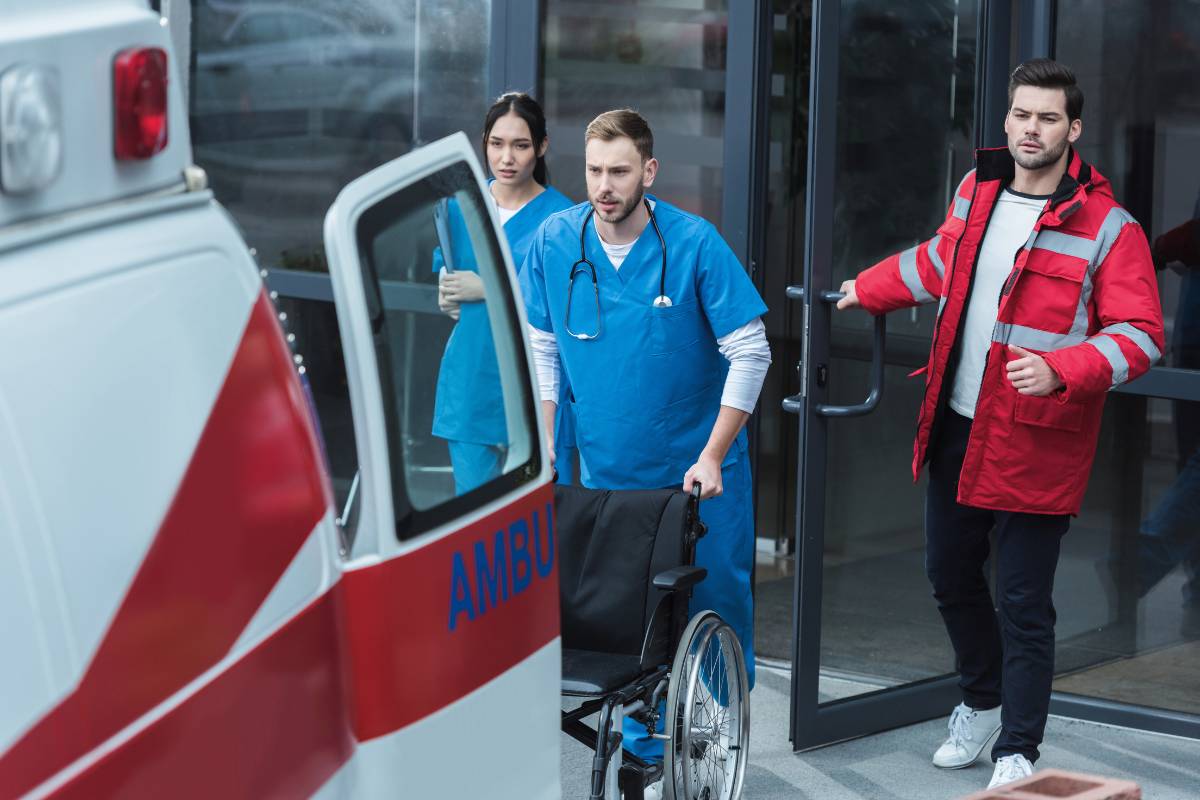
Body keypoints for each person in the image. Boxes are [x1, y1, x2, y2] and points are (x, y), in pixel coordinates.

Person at [836, 59, 1164, 789]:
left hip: (1038, 441)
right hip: (957, 422)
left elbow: (1142, 334)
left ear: (1072, 130)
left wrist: (1063, 368)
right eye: (1021, 115)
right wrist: (871, 287)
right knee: (949, 575)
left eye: (1047, 118)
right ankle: (981, 702)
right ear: (1008, 120)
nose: (1030, 129)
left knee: (1021, 601)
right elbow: (940, 266)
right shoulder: (976, 190)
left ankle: (1019, 748)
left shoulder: (1110, 227)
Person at [519, 109, 771, 777]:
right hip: (609, 467)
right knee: (628, 616)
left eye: (620, 171)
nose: (605, 185)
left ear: (649, 172)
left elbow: (750, 352)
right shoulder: (555, 240)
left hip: (697, 471)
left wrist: (713, 453)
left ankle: (718, 737)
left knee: (714, 599)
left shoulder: (693, 244)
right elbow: (543, 344)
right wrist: (547, 436)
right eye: (596, 171)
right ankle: (643, 752)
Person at [432, 92, 574, 494]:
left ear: (542, 147)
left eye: (521, 145)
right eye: (497, 144)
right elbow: (447, 270)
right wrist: (445, 289)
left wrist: (490, 287)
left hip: (531, 388)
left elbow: (563, 308)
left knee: (533, 519)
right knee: (472, 521)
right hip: (471, 381)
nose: (507, 157)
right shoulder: (462, 205)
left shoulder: (563, 220)